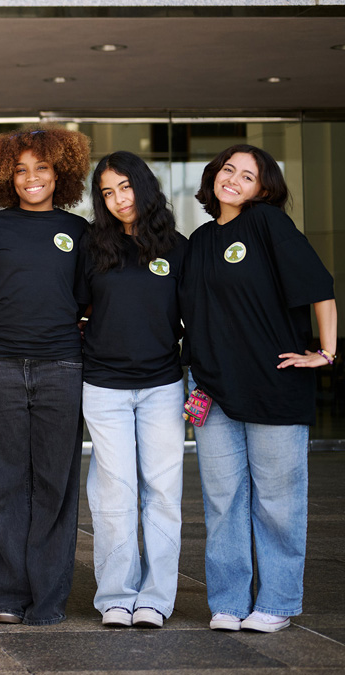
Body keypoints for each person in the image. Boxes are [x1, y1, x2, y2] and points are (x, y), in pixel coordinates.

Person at [182, 144, 336, 633]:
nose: (234, 180)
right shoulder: (200, 238)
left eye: (247, 176)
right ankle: (227, 601)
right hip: (213, 388)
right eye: (229, 170)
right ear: (214, 176)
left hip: (274, 384)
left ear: (262, 189)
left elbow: (319, 284)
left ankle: (278, 602)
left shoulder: (268, 223)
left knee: (276, 501)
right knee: (223, 500)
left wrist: (327, 353)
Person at [0, 126, 91, 625]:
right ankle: (4, 597)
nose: (31, 178)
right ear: (5, 176)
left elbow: (89, 299)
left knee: (54, 486)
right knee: (1, 483)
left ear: (60, 172)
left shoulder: (79, 231)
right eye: (20, 170)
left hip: (62, 367)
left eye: (41, 168)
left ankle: (47, 598)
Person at [77, 151, 186, 629]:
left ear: (143, 186)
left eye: (125, 186)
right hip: (104, 386)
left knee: (163, 492)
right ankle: (117, 596)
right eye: (107, 192)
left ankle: (156, 599)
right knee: (114, 492)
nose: (119, 199)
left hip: (163, 384)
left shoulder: (178, 248)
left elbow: (198, 317)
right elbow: (74, 308)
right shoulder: (92, 246)